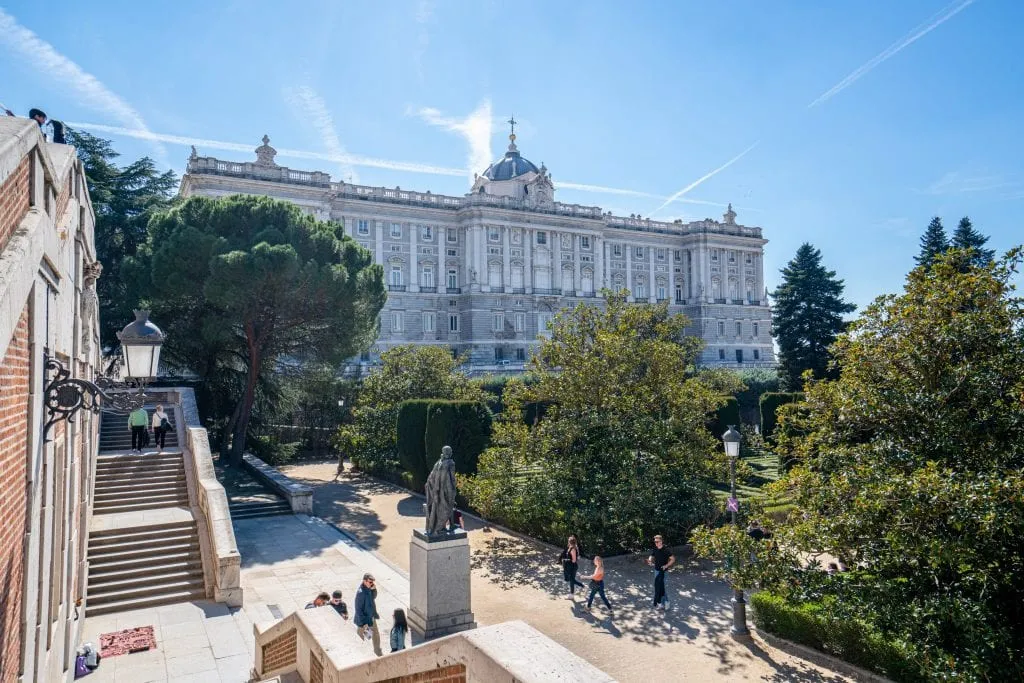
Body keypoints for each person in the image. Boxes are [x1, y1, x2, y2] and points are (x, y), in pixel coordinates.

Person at [354, 574, 383, 657]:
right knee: (361, 637)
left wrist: (374, 589)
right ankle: (359, 653)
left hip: (371, 617)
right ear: (364, 581)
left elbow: (373, 597)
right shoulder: (361, 593)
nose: (371, 584)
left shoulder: (369, 588)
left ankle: (378, 651)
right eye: (370, 582)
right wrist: (364, 623)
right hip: (363, 621)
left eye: (372, 582)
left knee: (375, 635)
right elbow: (358, 609)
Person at [646, 534, 675, 610]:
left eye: (657, 541)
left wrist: (666, 566)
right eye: (655, 542)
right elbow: (652, 555)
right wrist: (650, 560)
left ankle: (667, 602)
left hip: (663, 572)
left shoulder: (666, 550)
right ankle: (660, 604)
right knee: (657, 587)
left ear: (661, 541)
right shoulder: (655, 548)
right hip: (656, 571)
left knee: (662, 588)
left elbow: (673, 559)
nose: (656, 543)